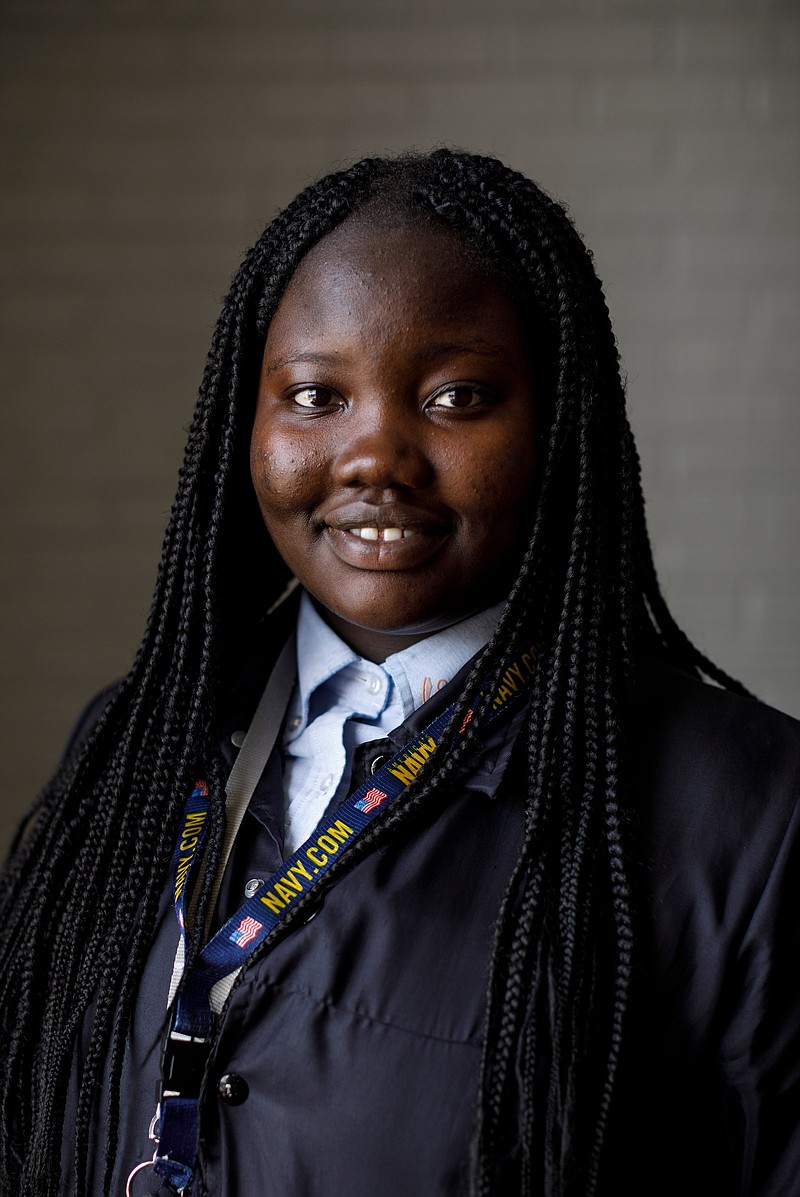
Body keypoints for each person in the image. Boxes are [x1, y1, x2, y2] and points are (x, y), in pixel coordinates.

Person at [1, 149, 798, 1197]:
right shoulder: (132, 744)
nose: (374, 453)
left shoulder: (745, 808)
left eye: (457, 395)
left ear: (558, 426)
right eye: (314, 394)